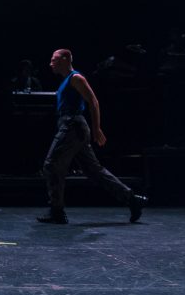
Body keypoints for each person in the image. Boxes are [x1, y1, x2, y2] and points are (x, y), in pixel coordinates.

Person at [37, 49, 148, 224]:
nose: (51, 64)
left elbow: (93, 102)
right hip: (72, 127)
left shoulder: (76, 78)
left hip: (72, 126)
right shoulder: (66, 80)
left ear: (65, 59)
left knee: (51, 165)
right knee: (94, 171)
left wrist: (97, 129)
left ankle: (56, 211)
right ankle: (132, 199)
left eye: (54, 60)